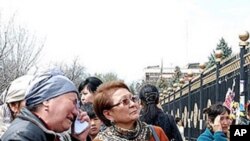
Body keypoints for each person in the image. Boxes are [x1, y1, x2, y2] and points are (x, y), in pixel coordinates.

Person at [1, 69, 90, 141]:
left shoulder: (41, 133)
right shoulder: (22, 137)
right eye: (73, 102)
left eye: (78, 106)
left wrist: (78, 139)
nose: (76, 112)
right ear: (46, 100)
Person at [92, 81, 169, 141]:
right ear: (108, 114)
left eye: (133, 99)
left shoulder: (156, 133)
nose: (133, 104)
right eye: (124, 101)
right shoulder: (100, 140)